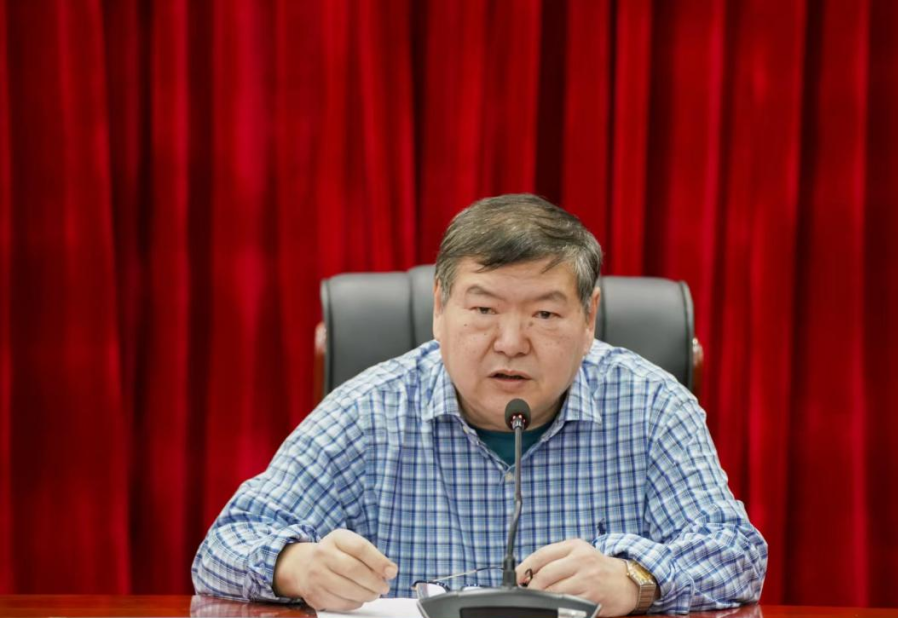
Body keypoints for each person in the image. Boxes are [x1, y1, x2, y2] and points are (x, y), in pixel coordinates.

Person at [192, 194, 767, 615]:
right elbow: (224, 546)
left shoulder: (650, 407)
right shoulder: (370, 411)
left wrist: (634, 580)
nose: (511, 342)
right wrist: (297, 567)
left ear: (589, 318)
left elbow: (737, 554)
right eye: (484, 309)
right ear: (439, 308)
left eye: (545, 314)